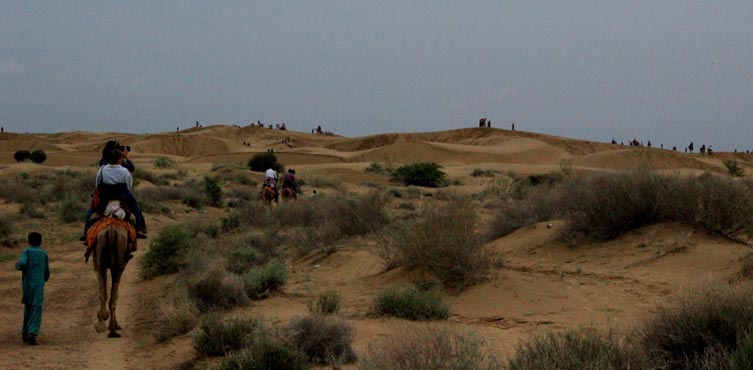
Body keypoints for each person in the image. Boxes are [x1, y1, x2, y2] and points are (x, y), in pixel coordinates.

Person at [15, 232, 50, 345]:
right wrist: (44, 278)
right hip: (38, 284)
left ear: (29, 241)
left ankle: (25, 332)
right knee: (36, 307)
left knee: (28, 306)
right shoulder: (44, 254)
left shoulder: (26, 251)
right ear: (40, 241)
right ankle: (33, 332)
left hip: (27, 283)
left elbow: (22, 263)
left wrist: (18, 266)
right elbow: (47, 272)